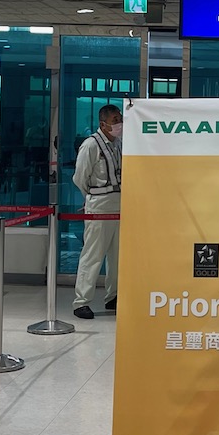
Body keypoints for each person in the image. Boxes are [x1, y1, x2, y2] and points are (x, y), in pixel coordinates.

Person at [71, 104, 123, 319]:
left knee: (117, 255)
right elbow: (80, 178)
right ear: (103, 123)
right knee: (93, 254)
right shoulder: (91, 145)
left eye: (120, 118)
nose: (119, 124)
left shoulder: (118, 144)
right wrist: (91, 198)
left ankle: (113, 296)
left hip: (119, 203)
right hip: (99, 203)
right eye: (115, 120)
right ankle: (81, 301)